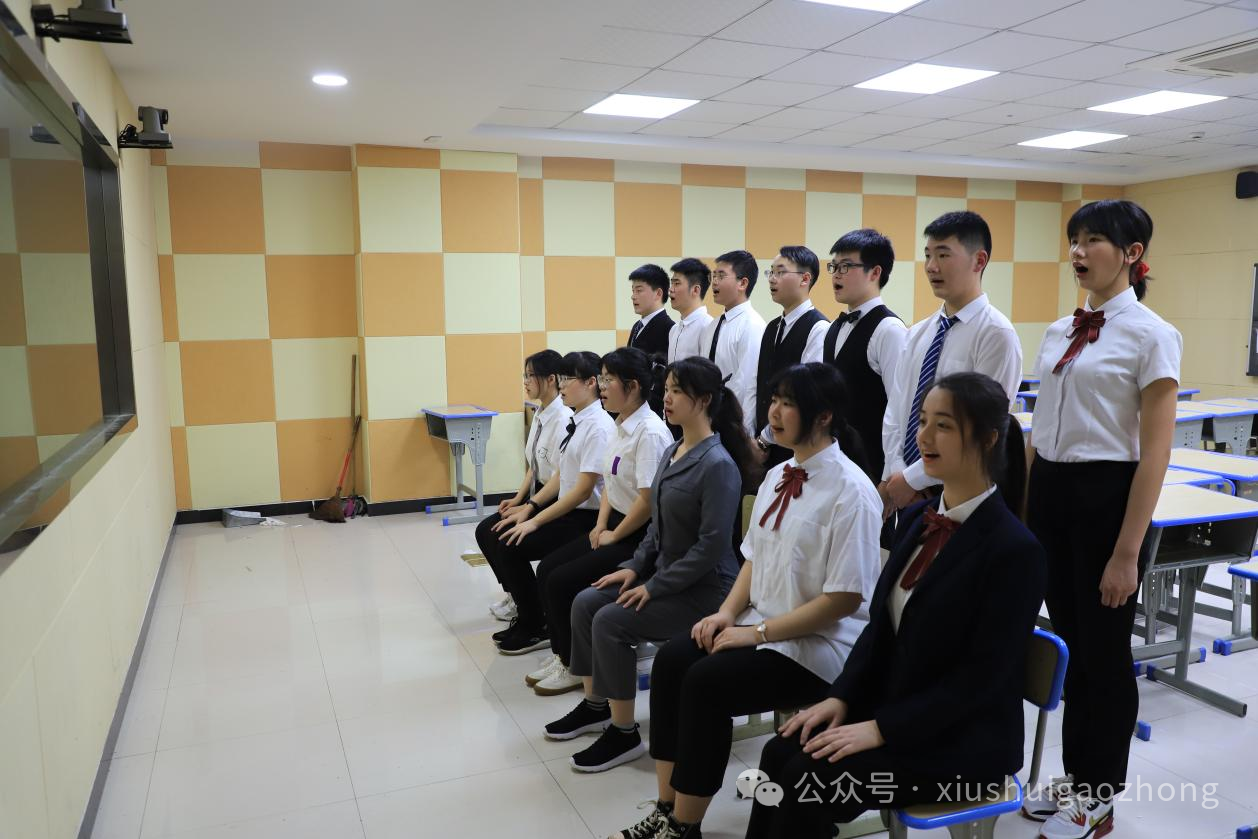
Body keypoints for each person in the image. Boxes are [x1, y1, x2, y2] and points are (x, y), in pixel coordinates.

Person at [745, 372, 1045, 839]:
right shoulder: (919, 520)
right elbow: (878, 631)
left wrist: (882, 728)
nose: (924, 437)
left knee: (809, 779)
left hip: (962, 744)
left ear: (988, 439)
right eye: (922, 421)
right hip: (902, 708)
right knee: (780, 751)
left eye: (943, 425)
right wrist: (841, 697)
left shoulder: (1014, 550)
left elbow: (980, 680)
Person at [610, 363, 881, 839]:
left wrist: (754, 633)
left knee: (707, 683)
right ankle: (666, 807)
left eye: (788, 404)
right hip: (761, 625)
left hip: (818, 647)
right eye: (773, 400)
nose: (773, 412)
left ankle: (684, 825)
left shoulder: (851, 492)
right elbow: (753, 558)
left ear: (824, 417)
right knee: (674, 661)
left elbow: (842, 600)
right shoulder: (779, 474)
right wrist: (726, 614)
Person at [1024, 200, 1181, 839]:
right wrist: (1025, 513)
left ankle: (1100, 794)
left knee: (1105, 652)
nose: (1079, 251)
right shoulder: (1060, 329)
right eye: (1075, 239)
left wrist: (1126, 551)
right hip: (1052, 492)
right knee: (1072, 645)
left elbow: (1155, 453)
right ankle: (1078, 774)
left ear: (1132, 253)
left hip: (1106, 499)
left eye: (1094, 240)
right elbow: (1041, 428)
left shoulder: (1151, 334)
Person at [542, 357, 756, 773]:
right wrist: (634, 567)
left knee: (611, 621)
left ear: (704, 401)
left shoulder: (718, 465)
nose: (667, 398)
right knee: (586, 602)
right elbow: (657, 525)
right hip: (667, 577)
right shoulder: (675, 450)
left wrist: (652, 587)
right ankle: (596, 706)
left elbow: (710, 548)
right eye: (667, 389)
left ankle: (624, 733)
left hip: (707, 589)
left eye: (677, 391)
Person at [525, 347, 673, 696]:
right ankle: (564, 655)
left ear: (632, 386)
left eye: (608, 381)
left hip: (638, 535)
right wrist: (600, 524)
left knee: (561, 581)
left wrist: (614, 534)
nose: (602, 387)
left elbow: (647, 501)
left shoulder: (650, 432)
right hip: (613, 523)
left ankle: (574, 665)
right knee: (548, 570)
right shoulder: (620, 425)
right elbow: (609, 481)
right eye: (601, 379)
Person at [881, 211, 1022, 519]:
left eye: (943, 255)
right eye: (928, 255)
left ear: (979, 260)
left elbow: (981, 426)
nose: (932, 266)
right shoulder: (918, 332)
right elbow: (896, 410)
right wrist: (896, 472)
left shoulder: (996, 334)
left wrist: (913, 479)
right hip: (903, 488)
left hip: (961, 494)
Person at [483, 351, 615, 655]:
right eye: (562, 378)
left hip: (584, 518)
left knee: (514, 546)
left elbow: (581, 492)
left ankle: (536, 625)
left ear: (591, 383)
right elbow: (559, 475)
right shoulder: (578, 420)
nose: (562, 385)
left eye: (568, 379)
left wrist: (534, 519)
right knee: (504, 538)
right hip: (569, 510)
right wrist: (528, 507)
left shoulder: (597, 426)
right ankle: (529, 616)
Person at [479, 350, 571, 623]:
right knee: (485, 531)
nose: (526, 381)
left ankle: (531, 606)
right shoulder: (540, 413)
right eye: (525, 375)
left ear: (551, 379)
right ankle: (516, 595)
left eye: (531, 376)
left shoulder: (563, 418)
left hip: (554, 498)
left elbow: (559, 476)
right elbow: (534, 464)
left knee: (505, 539)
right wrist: (518, 498)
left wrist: (529, 506)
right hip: (536, 494)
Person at [821, 229, 907, 484]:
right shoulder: (834, 327)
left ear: (875, 273)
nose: (836, 274)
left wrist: (890, 475)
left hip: (872, 468)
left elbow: (899, 409)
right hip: (833, 464)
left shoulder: (890, 329)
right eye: (834, 266)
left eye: (846, 266)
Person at [753, 246, 829, 469]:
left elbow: (805, 394)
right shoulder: (772, 327)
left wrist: (764, 439)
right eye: (771, 272)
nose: (772, 279)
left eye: (780, 272)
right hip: (764, 443)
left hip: (795, 447)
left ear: (805, 279)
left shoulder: (818, 328)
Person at [700, 250, 766, 438]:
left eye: (721, 276)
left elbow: (748, 384)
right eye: (713, 276)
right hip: (706, 423)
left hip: (733, 427)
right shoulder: (713, 325)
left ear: (742, 283)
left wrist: (744, 434)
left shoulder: (752, 325)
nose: (714, 282)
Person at [666, 258, 714, 364]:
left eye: (677, 283)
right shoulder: (674, 330)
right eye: (671, 283)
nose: (671, 289)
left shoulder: (708, 326)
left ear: (695, 290)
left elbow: (707, 371)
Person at [627, 263, 674, 361]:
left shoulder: (669, 328)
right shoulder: (637, 325)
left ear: (658, 293)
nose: (633, 296)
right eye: (633, 291)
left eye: (639, 290)